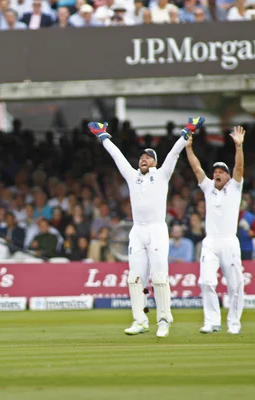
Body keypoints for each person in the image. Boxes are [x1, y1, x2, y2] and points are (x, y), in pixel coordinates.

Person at [88, 116, 204, 337]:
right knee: (135, 278)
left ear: (155, 163)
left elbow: (174, 153)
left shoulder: (161, 175)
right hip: (138, 230)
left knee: (159, 277)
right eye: (142, 156)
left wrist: (189, 129)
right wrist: (102, 136)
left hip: (157, 230)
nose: (144, 159)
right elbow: (117, 156)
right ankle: (139, 320)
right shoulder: (132, 177)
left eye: (149, 157)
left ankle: (163, 320)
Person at [185, 126, 245, 335]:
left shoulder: (235, 187)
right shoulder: (208, 187)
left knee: (235, 284)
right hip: (210, 242)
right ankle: (212, 321)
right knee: (206, 281)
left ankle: (234, 323)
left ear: (228, 176)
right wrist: (188, 148)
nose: (217, 174)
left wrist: (238, 146)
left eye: (221, 172)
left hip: (229, 241)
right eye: (215, 172)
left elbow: (239, 167)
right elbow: (196, 168)